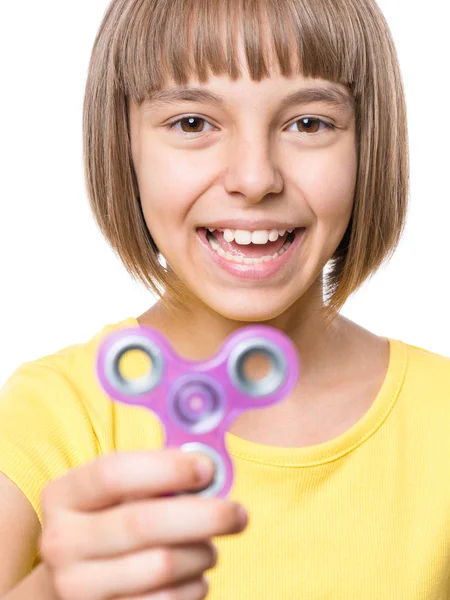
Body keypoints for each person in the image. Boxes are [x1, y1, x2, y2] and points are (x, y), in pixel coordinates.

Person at [1, 0, 449, 598]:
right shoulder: (54, 417)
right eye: (192, 123)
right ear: (123, 145)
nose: (255, 177)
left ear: (369, 145)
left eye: (308, 124)